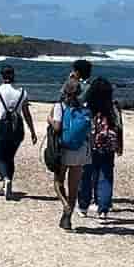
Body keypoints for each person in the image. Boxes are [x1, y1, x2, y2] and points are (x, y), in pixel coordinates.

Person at [0, 66, 38, 200]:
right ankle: (8, 183)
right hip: (18, 127)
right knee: (10, 157)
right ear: (13, 76)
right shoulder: (22, 92)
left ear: (2, 76)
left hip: (2, 126)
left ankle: (5, 179)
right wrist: (32, 131)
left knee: (0, 156)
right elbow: (26, 113)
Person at [77, 76, 124, 219]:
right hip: (108, 146)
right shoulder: (114, 107)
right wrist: (120, 145)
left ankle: (83, 206)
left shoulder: (87, 107)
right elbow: (119, 127)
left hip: (90, 145)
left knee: (86, 176)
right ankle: (103, 209)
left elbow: (82, 126)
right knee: (106, 176)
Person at [48, 80, 92, 231]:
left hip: (63, 150)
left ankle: (65, 204)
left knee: (58, 181)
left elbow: (57, 126)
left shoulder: (59, 106)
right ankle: (67, 219)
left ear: (63, 91)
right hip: (80, 150)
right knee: (74, 187)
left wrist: (49, 119)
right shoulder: (84, 108)